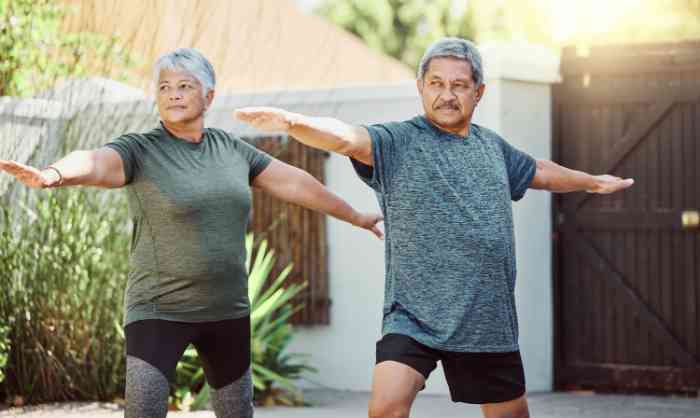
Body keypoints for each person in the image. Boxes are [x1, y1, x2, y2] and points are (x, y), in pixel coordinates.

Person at [233, 37, 634, 418]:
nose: (447, 94)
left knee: (512, 414)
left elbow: (539, 171)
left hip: (485, 316)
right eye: (436, 84)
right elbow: (346, 138)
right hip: (414, 313)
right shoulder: (397, 142)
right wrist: (291, 121)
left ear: (478, 93)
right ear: (421, 88)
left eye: (459, 85)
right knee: (386, 406)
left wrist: (590, 181)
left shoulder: (491, 147)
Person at [0, 48, 383, 418]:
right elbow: (96, 162)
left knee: (236, 413)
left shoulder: (231, 150)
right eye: (164, 87)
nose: (173, 94)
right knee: (145, 412)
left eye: (184, 85)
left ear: (208, 95)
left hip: (226, 310)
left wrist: (355, 217)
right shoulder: (141, 150)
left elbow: (297, 184)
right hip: (159, 310)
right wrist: (53, 175)